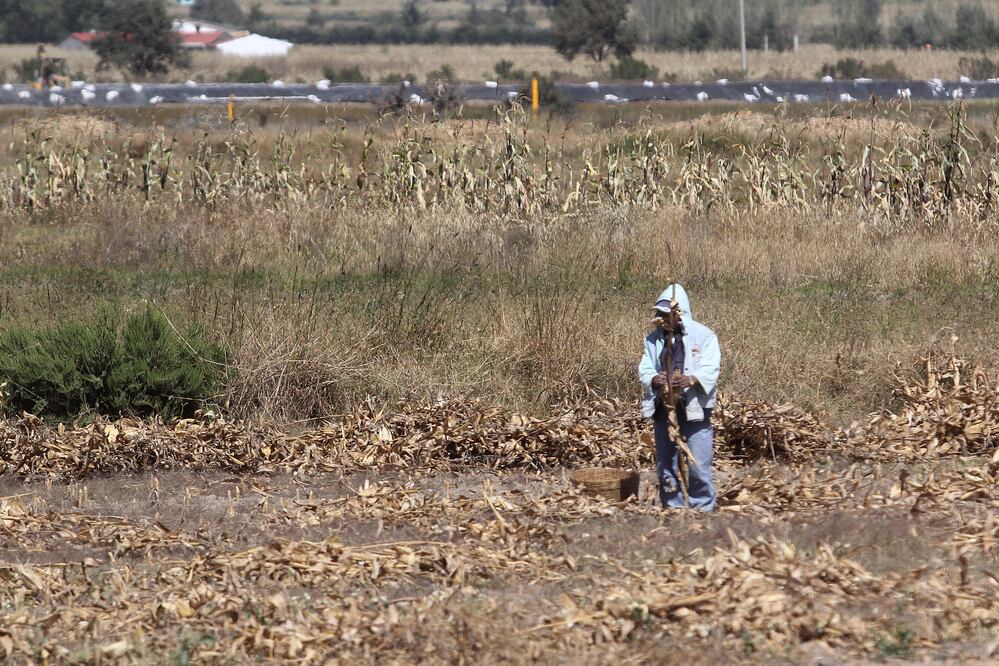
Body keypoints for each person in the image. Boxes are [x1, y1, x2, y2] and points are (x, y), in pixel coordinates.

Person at [638, 284, 721, 511]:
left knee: (698, 464)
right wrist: (655, 379)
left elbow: (711, 368)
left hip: (694, 408)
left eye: (666, 314)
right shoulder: (652, 339)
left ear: (679, 313)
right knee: (666, 465)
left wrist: (690, 380)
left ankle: (702, 508)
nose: (661, 318)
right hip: (664, 408)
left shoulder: (703, 336)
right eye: (659, 314)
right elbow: (645, 368)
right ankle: (672, 509)